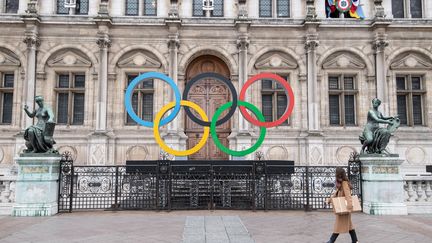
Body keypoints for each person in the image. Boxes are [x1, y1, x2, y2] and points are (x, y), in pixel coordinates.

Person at [325, 167, 359, 243]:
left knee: (338, 226)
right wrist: (329, 200)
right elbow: (335, 194)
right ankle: (355, 241)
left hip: (344, 208)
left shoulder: (344, 183)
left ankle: (331, 241)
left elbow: (348, 195)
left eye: (336, 173)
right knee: (350, 226)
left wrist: (349, 206)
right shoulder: (341, 183)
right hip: (342, 208)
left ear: (339, 174)